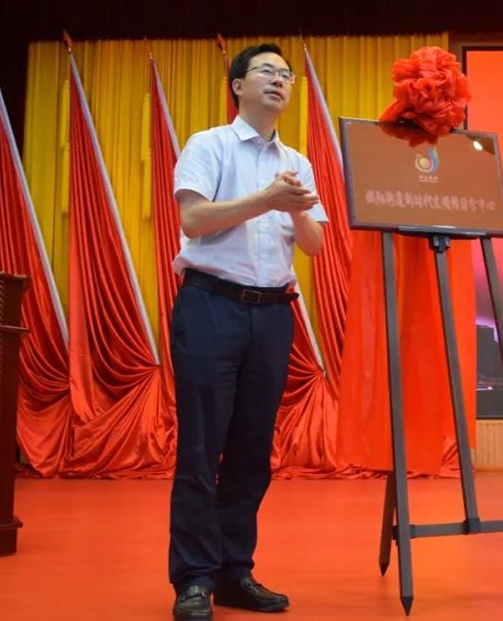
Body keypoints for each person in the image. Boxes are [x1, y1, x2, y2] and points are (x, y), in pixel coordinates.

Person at [168, 43, 327, 620]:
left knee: (253, 449)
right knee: (201, 445)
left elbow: (313, 245)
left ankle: (235, 572)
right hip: (211, 305)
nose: (280, 80)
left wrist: (294, 206)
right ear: (238, 85)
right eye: (267, 71)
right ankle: (193, 578)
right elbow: (193, 220)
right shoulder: (208, 145)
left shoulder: (297, 161)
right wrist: (266, 199)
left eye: (287, 75)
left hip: (272, 313)